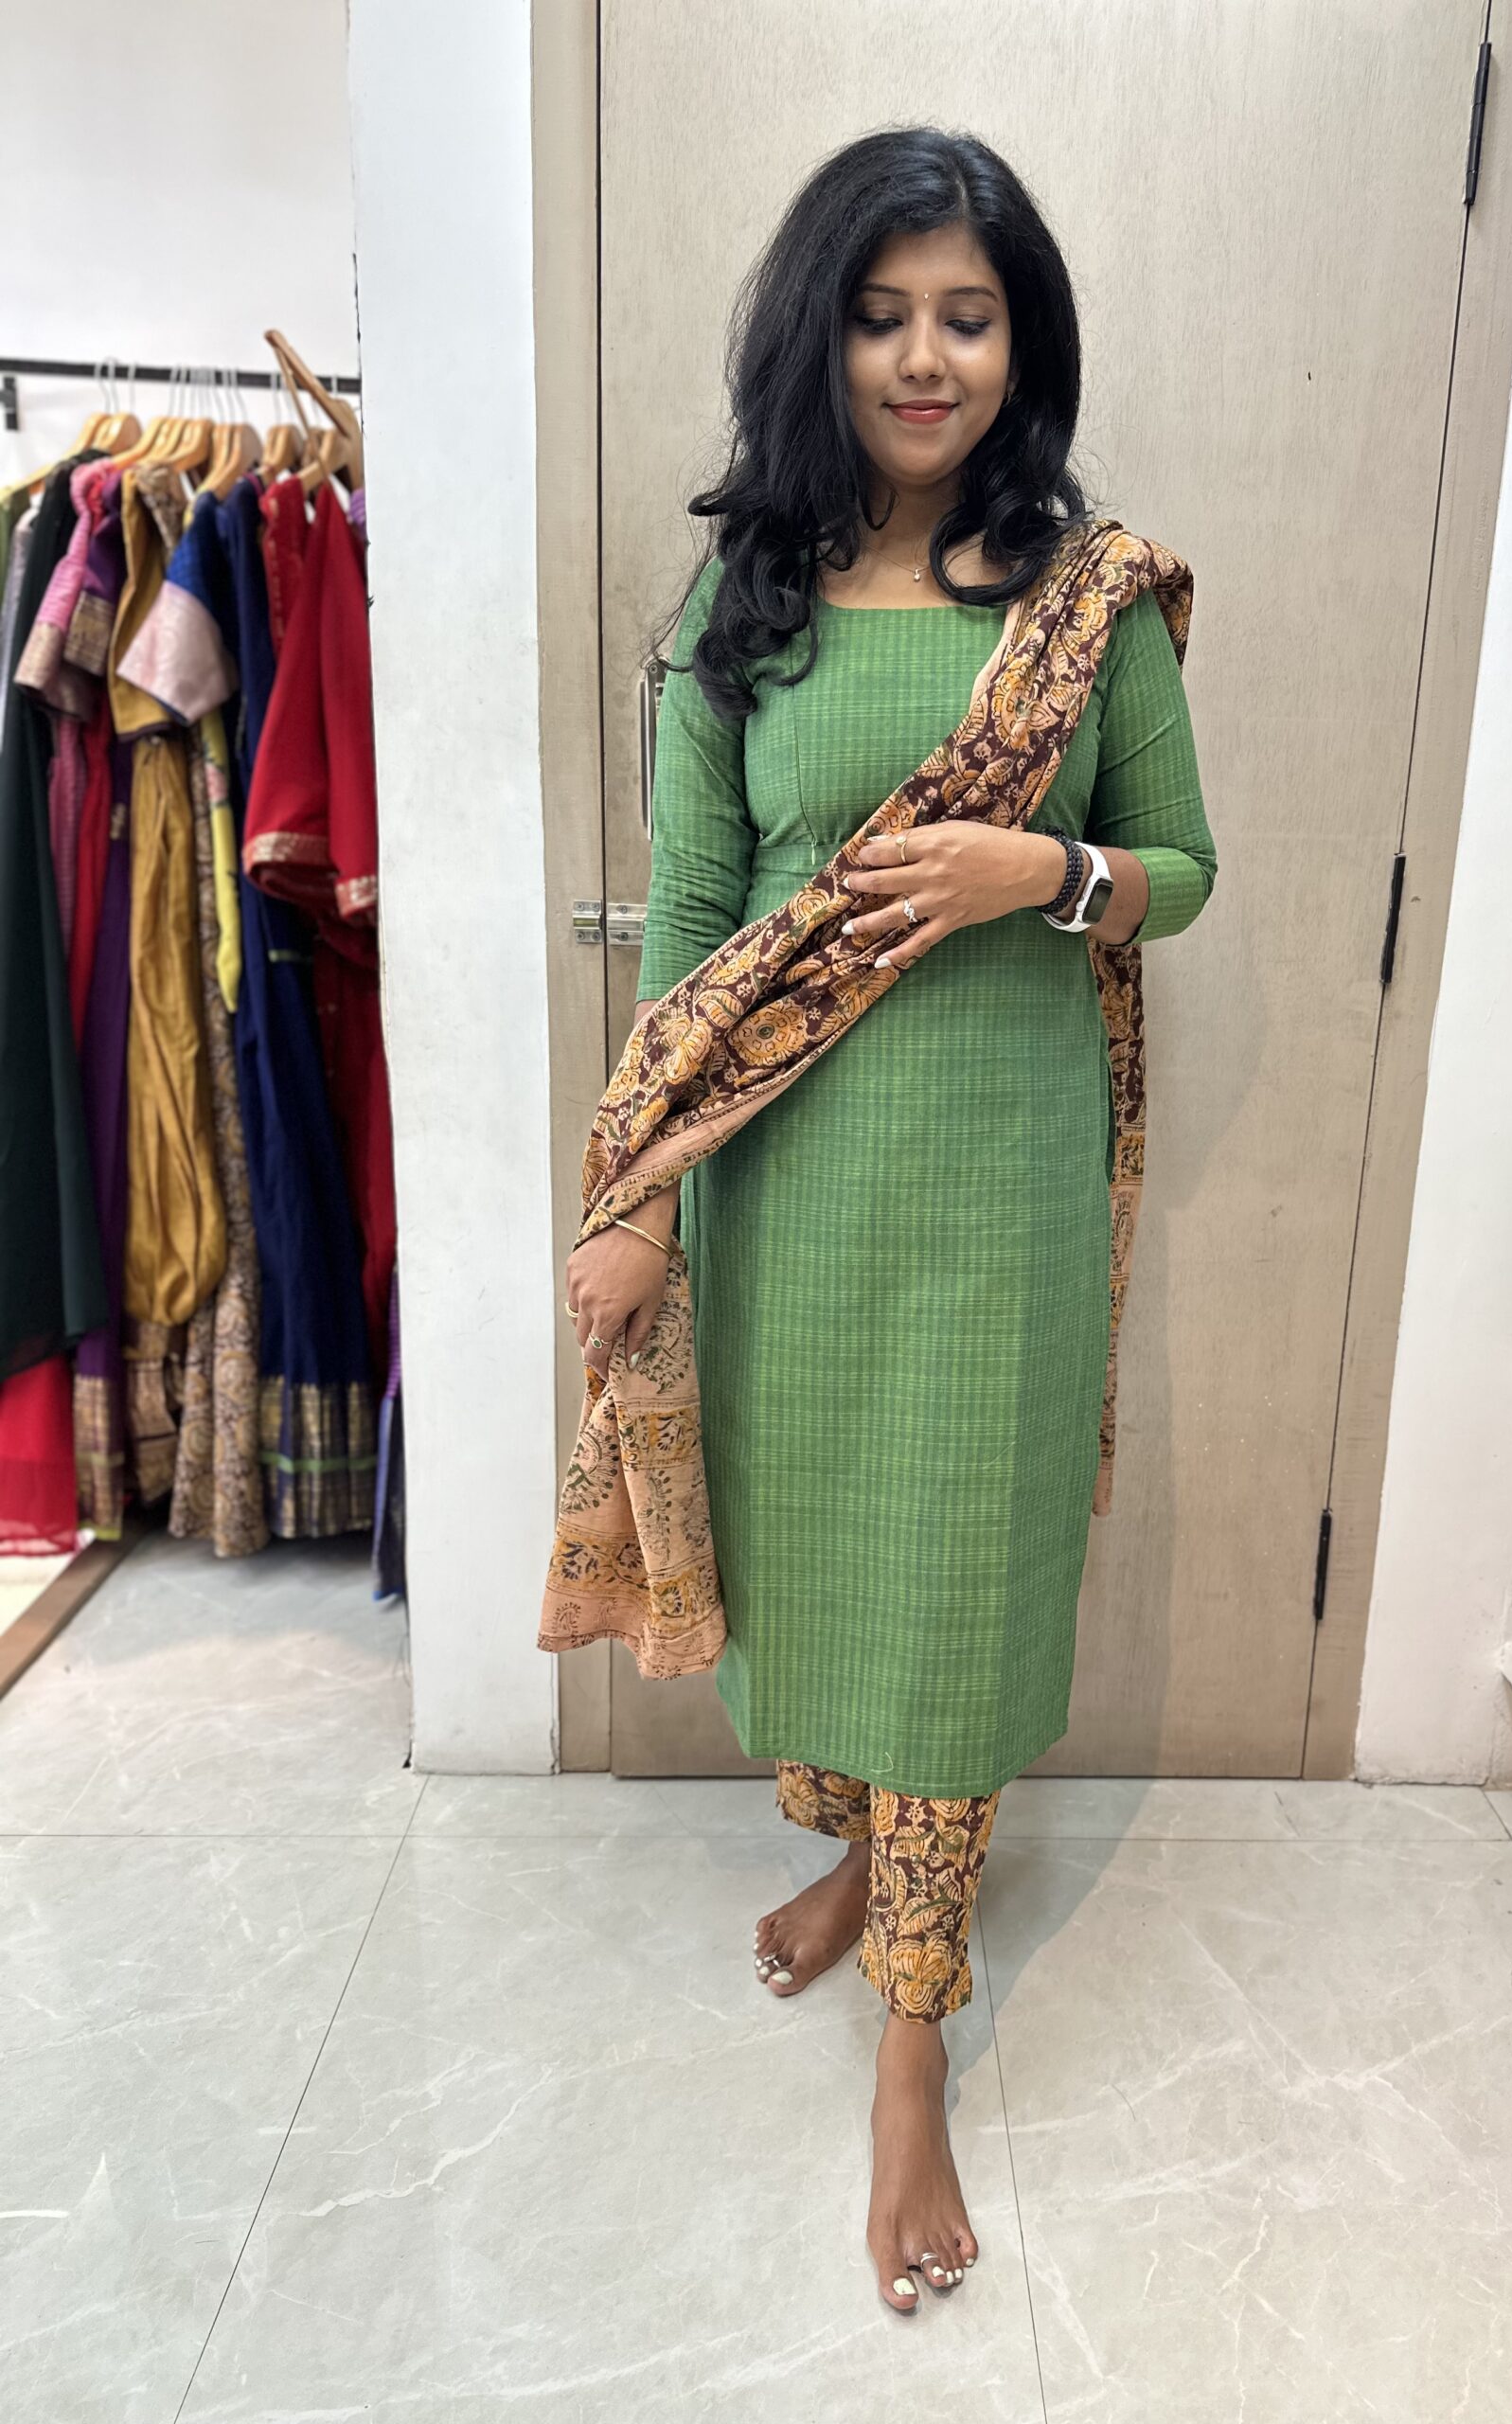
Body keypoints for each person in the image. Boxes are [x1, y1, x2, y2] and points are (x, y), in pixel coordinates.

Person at [559, 127, 1215, 2314]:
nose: (925, 358)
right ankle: (855, 1867)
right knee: (824, 1561)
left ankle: (913, 2051)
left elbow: (1184, 870)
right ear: (816, 336)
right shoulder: (736, 608)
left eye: (968, 315)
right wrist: (641, 1202)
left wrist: (1052, 871)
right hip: (790, 1196)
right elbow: (695, 928)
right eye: (881, 314)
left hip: (999, 1204)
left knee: (945, 1591)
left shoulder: (1084, 603)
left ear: (1023, 343)